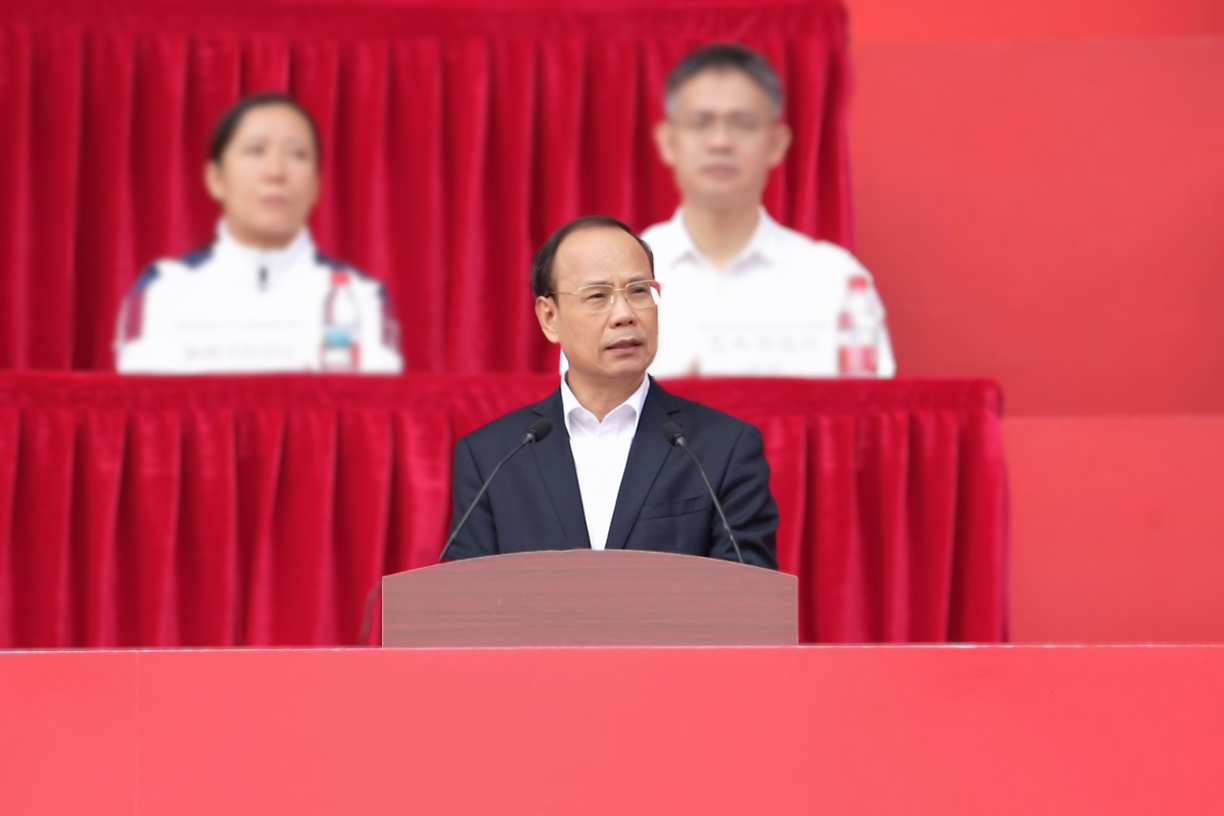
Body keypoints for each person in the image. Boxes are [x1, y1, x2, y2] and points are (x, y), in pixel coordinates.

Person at [445, 215, 778, 567]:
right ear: (549, 318)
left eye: (638, 291)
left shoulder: (721, 448)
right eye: (597, 296)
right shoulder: (492, 458)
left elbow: (747, 593)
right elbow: (470, 596)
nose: (624, 314)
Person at [646, 43, 896, 377]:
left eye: (743, 123)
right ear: (667, 141)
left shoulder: (835, 280)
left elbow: (869, 404)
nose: (720, 142)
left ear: (777, 143)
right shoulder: (614, 276)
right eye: (700, 122)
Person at [114, 92, 402, 374]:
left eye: (297, 154)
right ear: (216, 178)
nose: (275, 172)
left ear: (317, 185)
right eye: (255, 150)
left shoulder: (359, 297)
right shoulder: (164, 290)